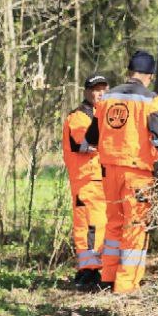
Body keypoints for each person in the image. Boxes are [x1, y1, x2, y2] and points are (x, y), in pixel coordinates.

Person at [86, 50, 158, 294]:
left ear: (129, 72)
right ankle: (126, 285)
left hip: (109, 171)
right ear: (149, 76)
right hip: (137, 174)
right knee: (135, 226)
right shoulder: (151, 100)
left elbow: (92, 137)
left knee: (114, 225)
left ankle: (107, 277)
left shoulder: (107, 98)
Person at [62, 75, 110, 291]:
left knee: (94, 225)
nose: (100, 93)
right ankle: (89, 271)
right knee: (91, 225)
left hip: (97, 179)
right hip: (87, 181)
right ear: (87, 92)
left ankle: (92, 269)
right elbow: (87, 144)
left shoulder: (102, 114)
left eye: (103, 89)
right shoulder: (79, 117)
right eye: (95, 89)